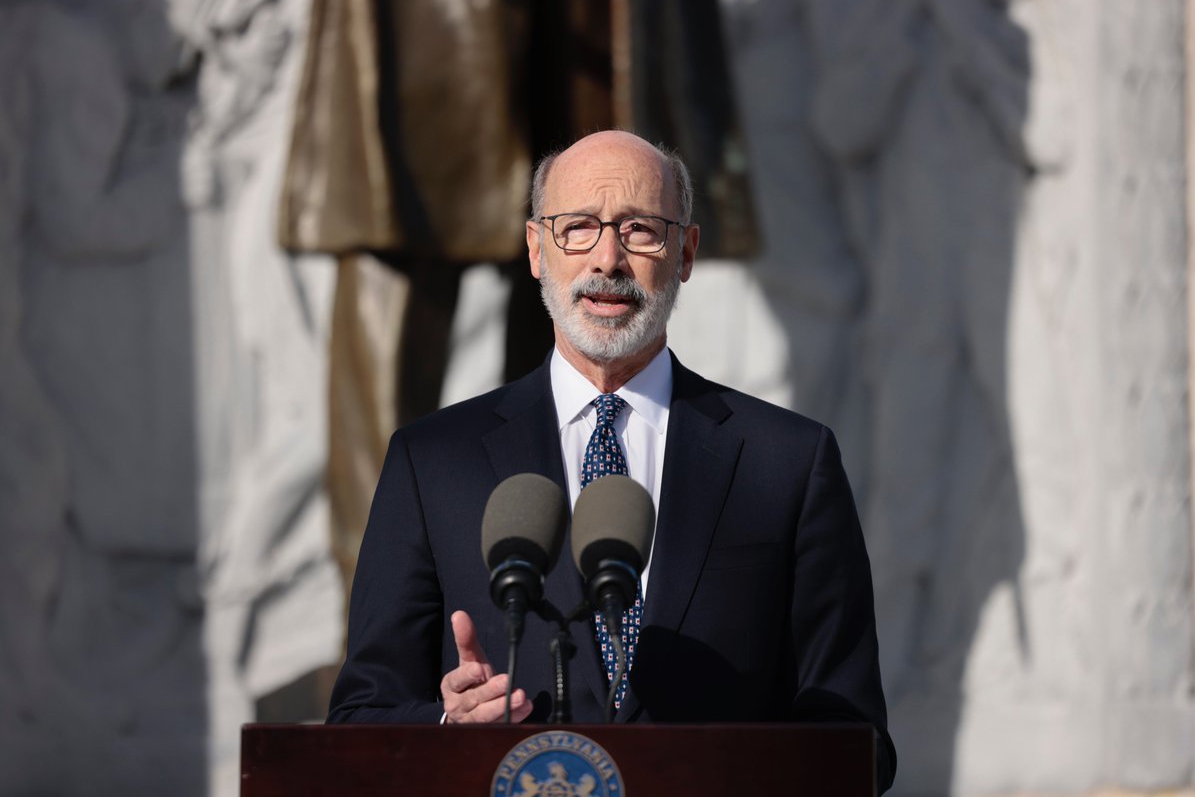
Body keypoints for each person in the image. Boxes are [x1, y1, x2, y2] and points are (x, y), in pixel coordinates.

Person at [327, 130, 895, 790]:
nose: (609, 258)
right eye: (578, 228)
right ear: (537, 251)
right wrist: (450, 731)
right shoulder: (433, 463)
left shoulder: (788, 464)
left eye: (641, 230)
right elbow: (359, 719)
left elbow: (858, 745)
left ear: (685, 254)